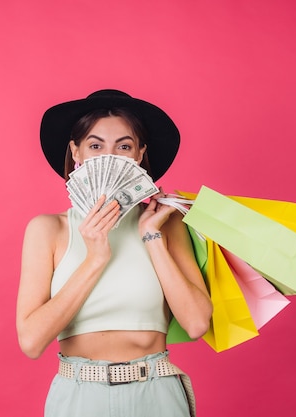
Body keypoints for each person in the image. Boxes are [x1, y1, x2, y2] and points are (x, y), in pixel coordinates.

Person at [16, 89, 213, 417]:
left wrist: (152, 237)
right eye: (96, 146)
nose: (111, 156)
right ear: (75, 152)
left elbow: (196, 323)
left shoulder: (165, 223)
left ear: (139, 155)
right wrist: (95, 258)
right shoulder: (47, 230)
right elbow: (32, 342)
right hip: (78, 396)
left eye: (124, 146)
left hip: (157, 392)